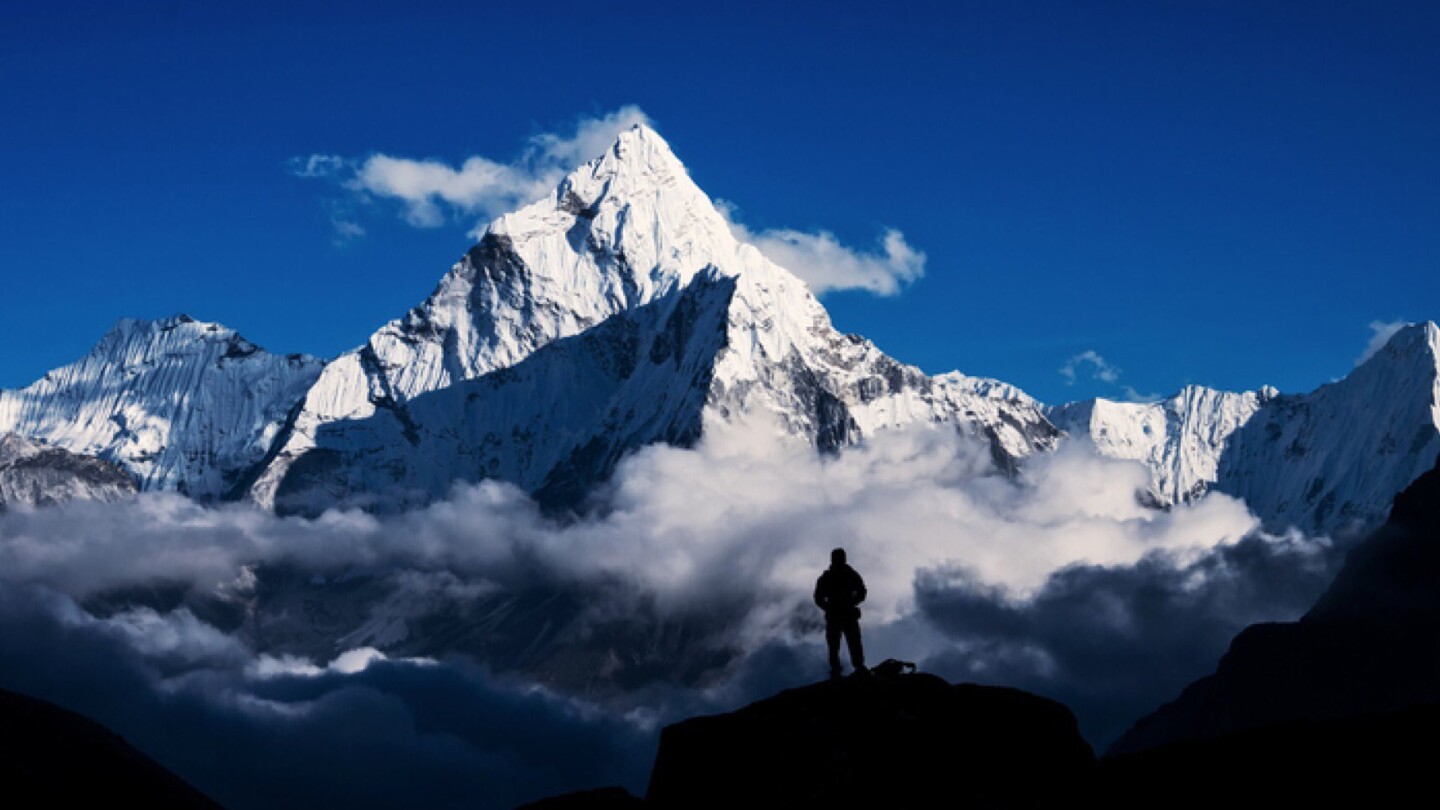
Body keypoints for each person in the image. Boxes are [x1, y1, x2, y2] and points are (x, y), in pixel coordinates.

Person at [814, 547, 867, 679]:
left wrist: (852, 602)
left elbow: (862, 591)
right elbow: (818, 597)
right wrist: (828, 607)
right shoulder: (828, 577)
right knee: (835, 645)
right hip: (836, 615)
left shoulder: (849, 574)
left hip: (846, 613)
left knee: (853, 642)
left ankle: (857, 667)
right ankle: (837, 670)